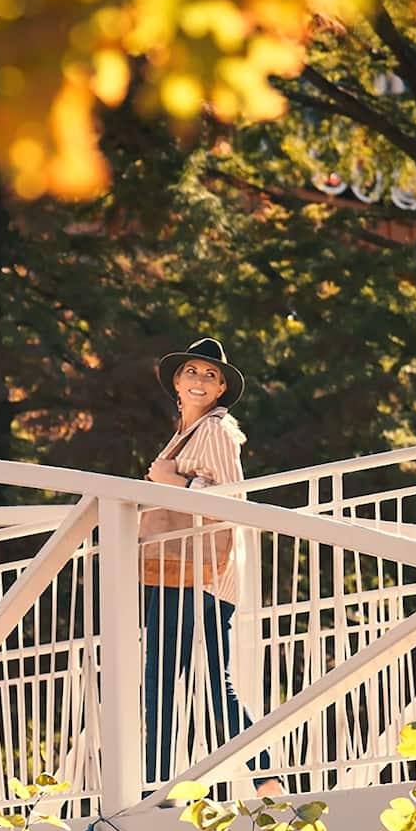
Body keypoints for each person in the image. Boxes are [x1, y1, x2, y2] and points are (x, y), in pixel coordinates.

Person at [141, 337, 282, 796]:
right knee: (162, 681)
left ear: (221, 389)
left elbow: (234, 499)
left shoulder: (217, 432)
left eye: (210, 376)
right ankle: (154, 788)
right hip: (174, 571)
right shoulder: (185, 433)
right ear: (176, 384)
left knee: (204, 685)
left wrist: (174, 479)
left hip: (204, 578)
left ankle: (265, 779)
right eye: (191, 373)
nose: (199, 381)